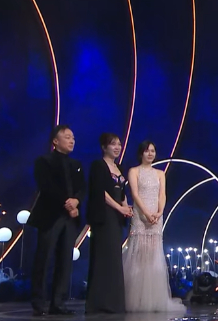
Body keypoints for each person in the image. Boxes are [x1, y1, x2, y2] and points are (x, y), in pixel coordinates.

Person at [28, 125, 85, 316]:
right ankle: (39, 302)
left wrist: (76, 201)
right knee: (44, 260)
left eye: (73, 138)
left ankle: (58, 303)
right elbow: (46, 186)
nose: (71, 141)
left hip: (70, 219)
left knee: (65, 261)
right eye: (67, 137)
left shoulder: (76, 164)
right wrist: (67, 203)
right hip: (50, 216)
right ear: (55, 141)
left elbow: (82, 188)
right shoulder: (44, 161)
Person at [123, 141, 185, 313]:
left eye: (152, 151)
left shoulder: (160, 173)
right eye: (147, 151)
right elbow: (135, 194)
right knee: (139, 255)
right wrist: (146, 213)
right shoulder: (134, 171)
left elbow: (162, 194)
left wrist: (159, 212)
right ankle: (137, 299)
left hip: (156, 218)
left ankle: (154, 300)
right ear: (141, 153)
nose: (150, 154)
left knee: (153, 256)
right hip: (141, 217)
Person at [85, 133, 133, 314]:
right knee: (102, 257)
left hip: (117, 217)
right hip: (104, 215)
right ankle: (99, 303)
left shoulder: (119, 167)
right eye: (113, 144)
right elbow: (100, 192)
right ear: (104, 147)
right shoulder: (98, 165)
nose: (117, 147)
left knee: (114, 258)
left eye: (119, 144)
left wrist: (125, 206)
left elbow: (122, 192)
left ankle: (114, 302)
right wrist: (119, 208)